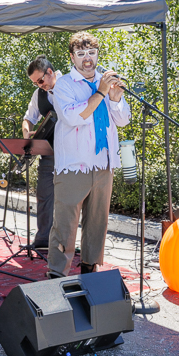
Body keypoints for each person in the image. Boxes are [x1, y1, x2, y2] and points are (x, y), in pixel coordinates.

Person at [47, 31, 131, 278]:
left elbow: (123, 120)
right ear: (72, 57)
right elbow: (73, 116)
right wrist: (102, 93)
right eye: (81, 54)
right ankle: (56, 276)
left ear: (97, 55)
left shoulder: (105, 83)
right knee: (65, 224)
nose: (87, 59)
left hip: (103, 165)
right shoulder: (64, 85)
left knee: (97, 223)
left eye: (91, 53)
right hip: (74, 166)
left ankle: (90, 272)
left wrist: (115, 100)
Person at [21, 57, 62, 250]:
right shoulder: (39, 93)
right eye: (35, 83)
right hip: (49, 151)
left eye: (40, 81)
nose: (39, 86)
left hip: (74, 153)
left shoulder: (70, 85)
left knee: (69, 200)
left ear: (50, 72)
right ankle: (43, 241)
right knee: (44, 195)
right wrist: (26, 132)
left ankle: (64, 243)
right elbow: (29, 118)